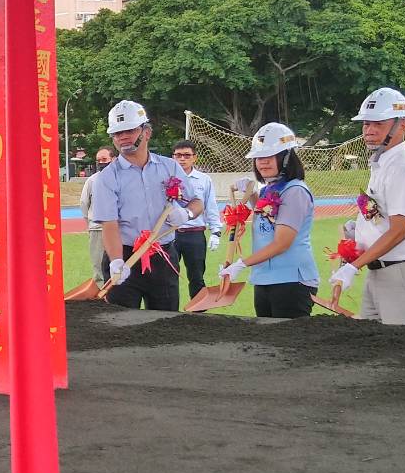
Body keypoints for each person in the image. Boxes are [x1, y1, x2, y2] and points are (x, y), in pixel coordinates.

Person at [328, 88, 405, 325]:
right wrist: (360, 232)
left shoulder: (402, 168)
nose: (369, 131)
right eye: (366, 124)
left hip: (401, 273)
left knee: (402, 354)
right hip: (379, 272)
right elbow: (381, 217)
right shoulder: (383, 163)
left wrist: (353, 266)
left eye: (379, 124)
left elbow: (398, 231)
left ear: (402, 126)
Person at [92, 101, 202, 311]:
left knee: (165, 323)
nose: (123, 137)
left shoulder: (170, 167)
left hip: (163, 257)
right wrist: (116, 261)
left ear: (146, 132)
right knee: (122, 326)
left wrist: (186, 213)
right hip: (125, 257)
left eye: (130, 130)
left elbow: (196, 202)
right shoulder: (106, 177)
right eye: (117, 133)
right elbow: (109, 224)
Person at [220, 124, 318, 318]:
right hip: (264, 279)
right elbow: (267, 220)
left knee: (287, 344)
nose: (263, 163)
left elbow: (281, 243)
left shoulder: (295, 191)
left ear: (286, 158)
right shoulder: (268, 190)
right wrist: (253, 194)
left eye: (269, 157)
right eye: (259, 158)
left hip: (291, 280)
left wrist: (241, 264)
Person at [169, 140, 223, 302]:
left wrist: (216, 232)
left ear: (195, 158)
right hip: (171, 234)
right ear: (173, 158)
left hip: (195, 234)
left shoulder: (203, 179)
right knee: (168, 276)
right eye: (178, 155)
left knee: (197, 276)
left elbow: (211, 206)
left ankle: (200, 312)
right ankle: (170, 312)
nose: (182, 159)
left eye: (187, 155)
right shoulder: (166, 178)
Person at [78, 146, 117, 288]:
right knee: (98, 265)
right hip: (97, 229)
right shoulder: (92, 181)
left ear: (114, 159)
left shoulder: (122, 179)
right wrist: (89, 222)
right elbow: (84, 203)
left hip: (119, 230)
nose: (101, 162)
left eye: (104, 159)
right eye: (98, 160)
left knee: (119, 265)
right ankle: (101, 296)